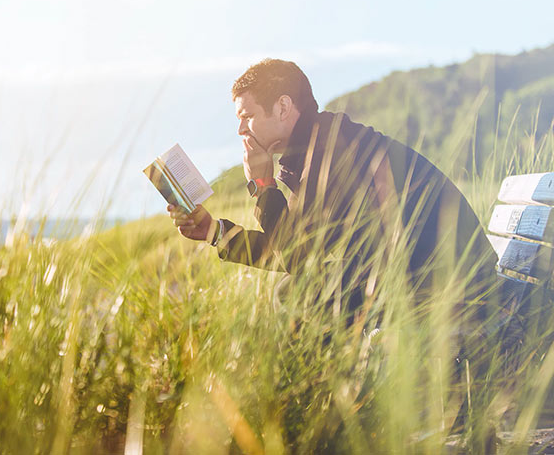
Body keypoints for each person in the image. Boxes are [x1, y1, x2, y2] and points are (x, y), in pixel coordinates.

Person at [168, 59, 516, 355]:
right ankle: (342, 411)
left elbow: (295, 256)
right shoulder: (315, 149)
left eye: (248, 116)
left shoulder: (333, 151)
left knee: (297, 294)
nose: (241, 129)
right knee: (302, 289)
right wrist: (214, 232)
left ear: (283, 107)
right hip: (423, 276)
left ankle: (338, 415)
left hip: (456, 289)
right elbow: (295, 249)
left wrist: (262, 185)